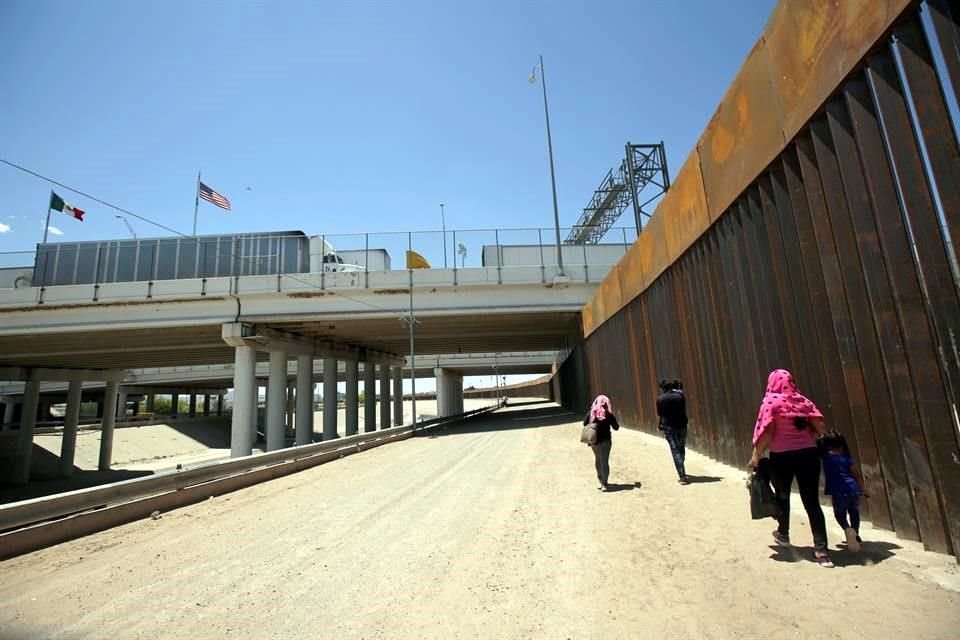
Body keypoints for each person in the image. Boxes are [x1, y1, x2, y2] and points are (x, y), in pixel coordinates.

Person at [749, 369, 833, 567]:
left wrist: (756, 455)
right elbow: (821, 428)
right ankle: (821, 550)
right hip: (808, 455)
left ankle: (783, 533)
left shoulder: (771, 402)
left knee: (782, 495)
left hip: (782, 456)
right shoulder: (803, 401)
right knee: (812, 502)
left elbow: (768, 432)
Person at [817, 431, 868, 552]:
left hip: (838, 491)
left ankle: (847, 528)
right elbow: (857, 475)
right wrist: (863, 489)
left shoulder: (826, 458)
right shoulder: (847, 459)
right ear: (841, 445)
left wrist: (820, 437)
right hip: (853, 489)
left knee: (840, 514)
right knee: (854, 512)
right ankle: (855, 533)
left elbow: (818, 446)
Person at [656, 379, 689, 484]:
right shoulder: (680, 396)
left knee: (675, 450)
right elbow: (684, 409)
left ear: (663, 388)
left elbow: (660, 414)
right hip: (682, 425)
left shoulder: (660, 399)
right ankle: (681, 465)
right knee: (681, 447)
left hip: (669, 427)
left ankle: (682, 475)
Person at [584, 394, 619, 491]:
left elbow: (584, 423)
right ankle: (605, 482)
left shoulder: (592, 412)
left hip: (594, 440)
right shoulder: (608, 414)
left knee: (598, 459)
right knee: (604, 461)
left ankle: (600, 480)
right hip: (606, 440)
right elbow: (616, 427)